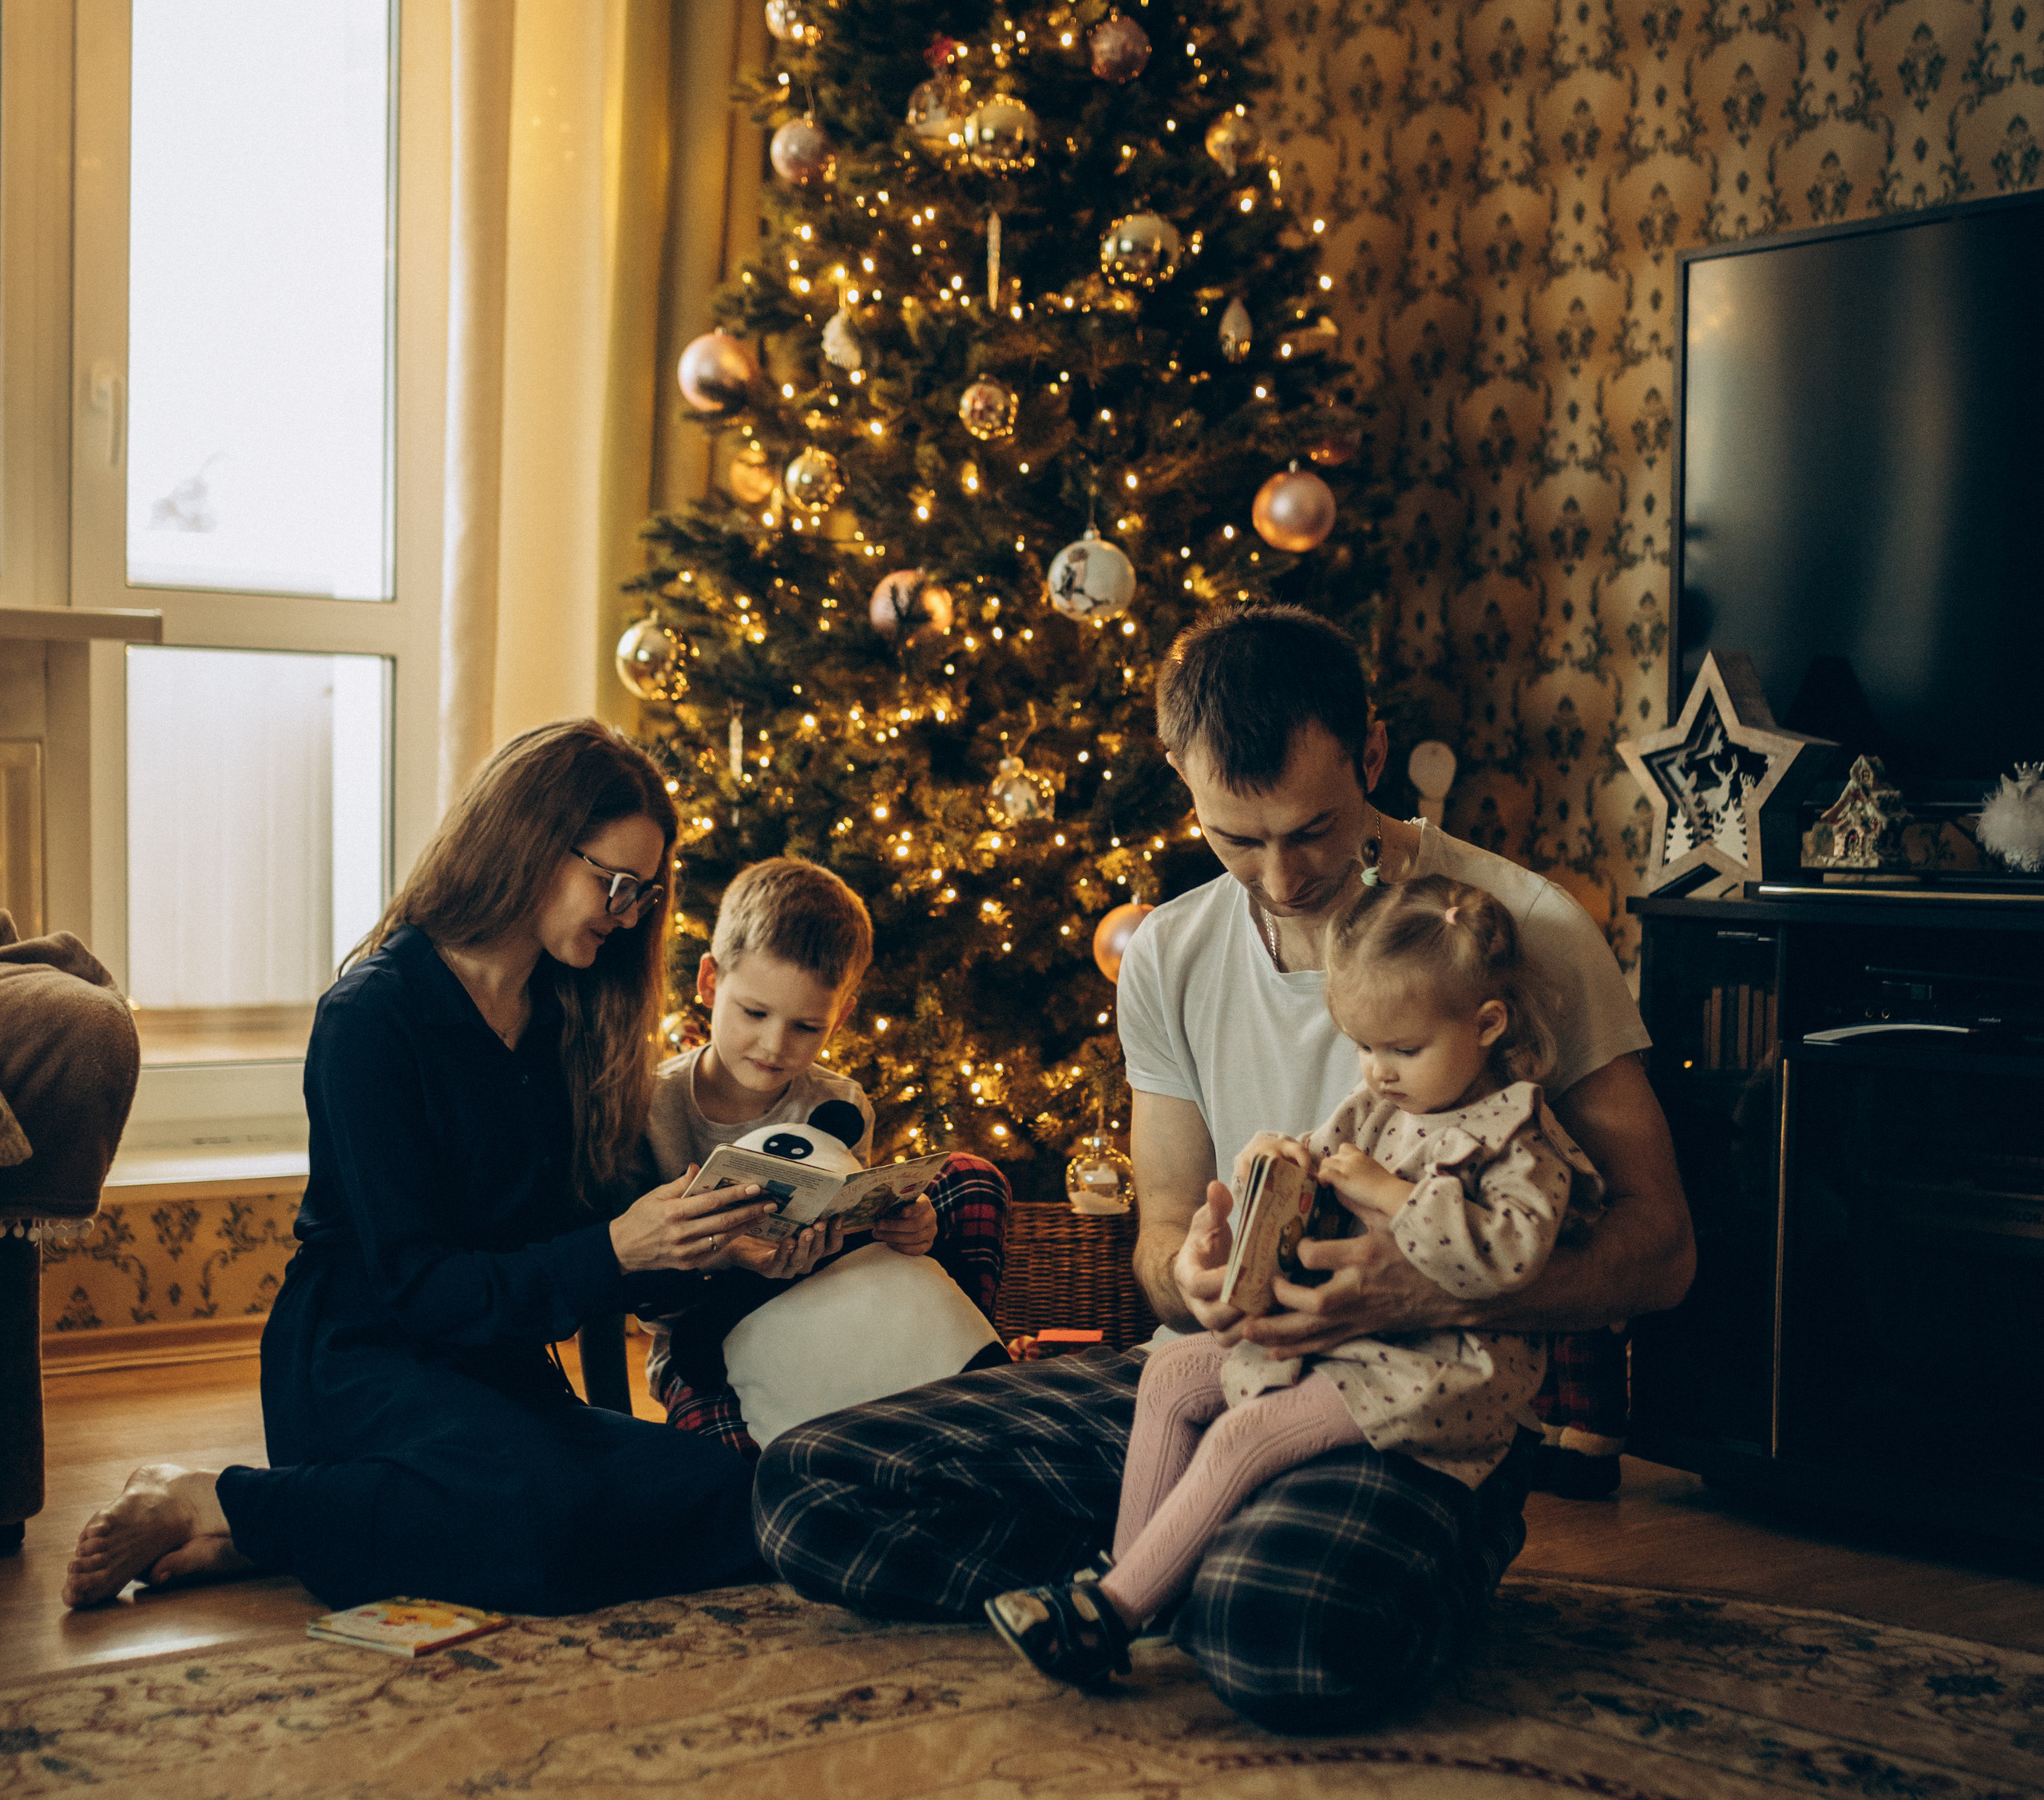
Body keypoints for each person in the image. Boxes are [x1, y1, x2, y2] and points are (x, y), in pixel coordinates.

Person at [754, 605, 1694, 1732]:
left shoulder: (1521, 932)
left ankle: (1196, 1572)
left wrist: (1422, 1283)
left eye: (1313, 830)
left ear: (1374, 757)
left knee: (1281, 1640)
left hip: (1413, 1406)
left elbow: (1663, 1251)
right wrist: (1191, 1276)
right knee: (806, 1488)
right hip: (1217, 1375)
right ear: (1182, 782)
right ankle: (1165, 1568)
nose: (1283, 877)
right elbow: (1157, 1248)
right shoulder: (1166, 952)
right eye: (1236, 839)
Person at [63, 720, 835, 1618]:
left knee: (726, 1491)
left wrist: (712, 1251)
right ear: (530, 844)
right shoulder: (371, 1017)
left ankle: (273, 1531)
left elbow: (583, 1247)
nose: (628, 912)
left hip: (493, 1370)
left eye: (643, 890)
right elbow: (417, 1285)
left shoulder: (569, 1014)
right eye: (613, 882)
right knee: (539, 1518)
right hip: (361, 1356)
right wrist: (617, 1247)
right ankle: (210, 1496)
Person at [984, 874, 1602, 1684]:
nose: (1377, 1071)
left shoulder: (1516, 1137)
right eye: (1363, 1046)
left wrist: (1390, 1194)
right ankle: (1131, 1588)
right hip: (1343, 1344)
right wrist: (1271, 1160)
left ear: (1485, 1024)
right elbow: (1316, 1154)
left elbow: (1509, 1257)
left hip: (1437, 1368)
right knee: (1172, 1373)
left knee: (1243, 1434)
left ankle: (1114, 1611)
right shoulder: (1381, 1103)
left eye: (1402, 1049)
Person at [640, 857, 1009, 1454]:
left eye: (807, 1027)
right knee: (727, 1472)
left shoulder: (841, 1103)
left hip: (839, 1320)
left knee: (971, 1182)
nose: (774, 1046)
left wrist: (908, 1228)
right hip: (706, 1344)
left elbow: (855, 1230)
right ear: (710, 982)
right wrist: (730, 1253)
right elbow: (638, 1284)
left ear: (840, 1015)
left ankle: (961, 1365)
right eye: (754, 1013)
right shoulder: (651, 1107)